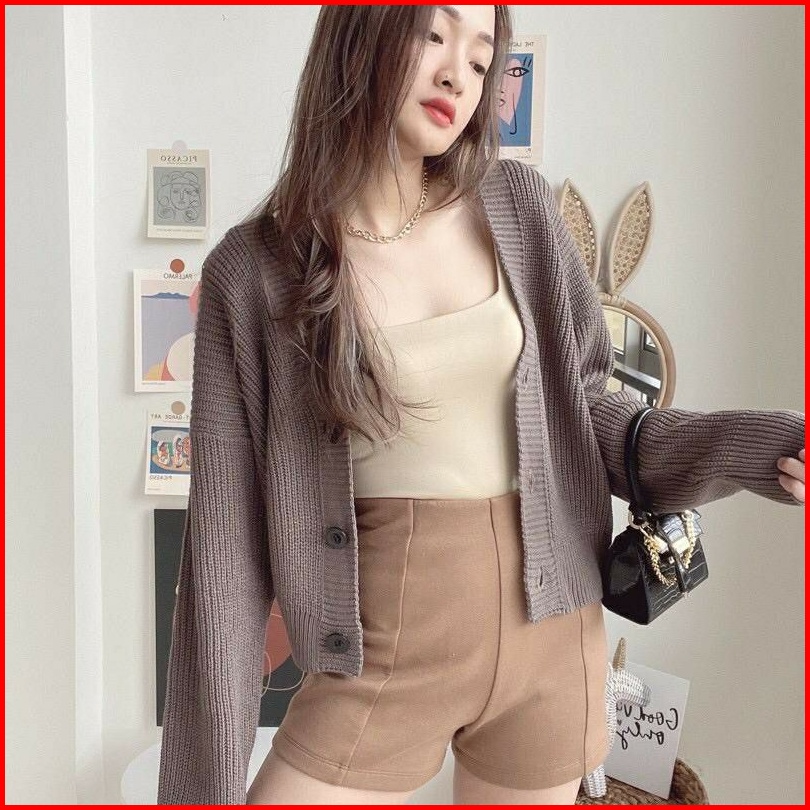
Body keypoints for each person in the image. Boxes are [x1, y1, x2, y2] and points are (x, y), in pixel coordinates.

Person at [156, 5, 805, 806]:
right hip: (382, 656)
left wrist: (766, 446)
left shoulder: (520, 207)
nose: (456, 75)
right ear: (359, 34)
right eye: (432, 35)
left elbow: (590, 418)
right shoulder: (253, 272)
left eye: (480, 55)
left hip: (550, 648)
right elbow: (223, 563)